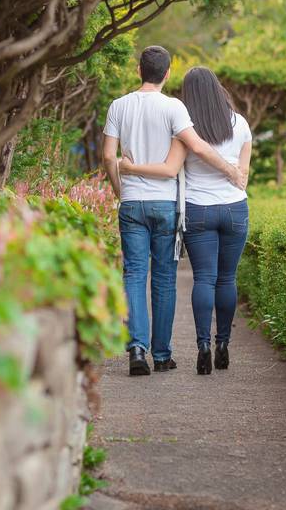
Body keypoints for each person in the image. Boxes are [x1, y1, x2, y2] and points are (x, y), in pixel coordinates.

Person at [102, 48, 245, 377]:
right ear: (168, 74)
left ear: (139, 69)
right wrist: (230, 171)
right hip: (165, 205)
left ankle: (137, 348)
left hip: (132, 203)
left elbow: (110, 157)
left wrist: (120, 190)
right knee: (164, 279)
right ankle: (162, 354)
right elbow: (196, 147)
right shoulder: (174, 107)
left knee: (134, 275)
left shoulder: (117, 106)